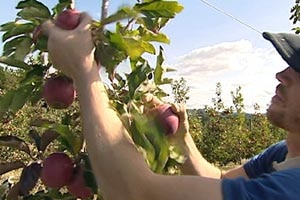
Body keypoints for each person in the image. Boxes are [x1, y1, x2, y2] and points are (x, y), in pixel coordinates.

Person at [41, 12, 300, 200]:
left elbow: (135, 193)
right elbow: (221, 181)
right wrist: (182, 142)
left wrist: (85, 73)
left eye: (297, 71)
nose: (281, 75)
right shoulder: (283, 154)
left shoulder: (292, 188)